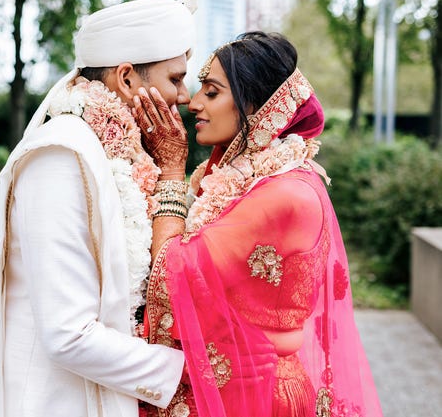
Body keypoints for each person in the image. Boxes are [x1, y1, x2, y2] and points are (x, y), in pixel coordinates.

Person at [0, 0, 201, 417]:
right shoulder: (61, 156)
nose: (186, 95)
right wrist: (188, 370)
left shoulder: (118, 152)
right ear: (126, 78)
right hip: (54, 402)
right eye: (175, 78)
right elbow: (68, 334)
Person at [133, 31, 383, 417]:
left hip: (255, 396)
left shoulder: (286, 193)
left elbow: (172, 272)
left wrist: (169, 171)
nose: (194, 103)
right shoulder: (251, 178)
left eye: (212, 92)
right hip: (233, 384)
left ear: (256, 106)